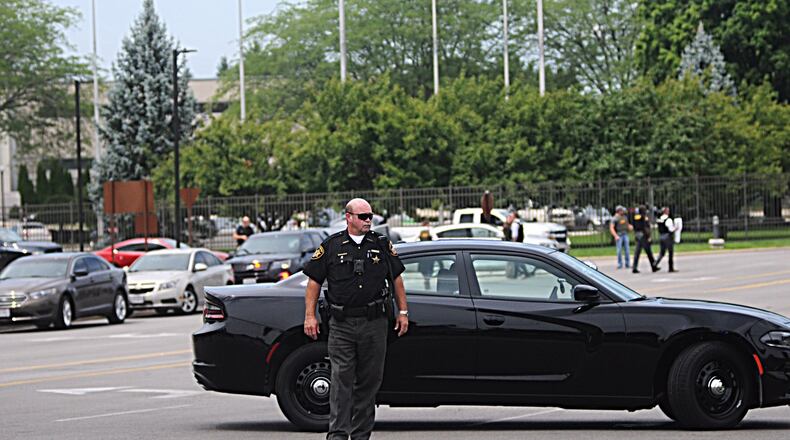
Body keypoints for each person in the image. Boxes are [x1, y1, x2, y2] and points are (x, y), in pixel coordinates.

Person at [303, 198, 409, 440]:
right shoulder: (332, 245)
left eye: (370, 215)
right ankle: (338, 434)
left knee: (370, 382)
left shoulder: (380, 244)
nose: (368, 220)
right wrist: (310, 316)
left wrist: (403, 312)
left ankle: (361, 435)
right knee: (341, 380)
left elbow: (397, 279)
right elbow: (313, 282)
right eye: (363, 216)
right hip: (342, 325)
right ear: (348, 217)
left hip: (374, 323)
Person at [631, 205, 659, 273]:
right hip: (643, 236)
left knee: (637, 252)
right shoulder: (644, 217)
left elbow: (634, 225)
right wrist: (648, 236)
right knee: (649, 252)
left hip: (637, 235)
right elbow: (645, 227)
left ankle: (634, 267)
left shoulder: (636, 217)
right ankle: (654, 266)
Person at [655, 206, 678, 272]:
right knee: (670, 252)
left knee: (662, 252)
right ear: (665, 212)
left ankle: (655, 264)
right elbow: (671, 229)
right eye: (668, 211)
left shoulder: (659, 219)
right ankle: (670, 267)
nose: (669, 212)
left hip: (661, 236)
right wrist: (675, 228)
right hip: (667, 237)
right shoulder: (668, 219)